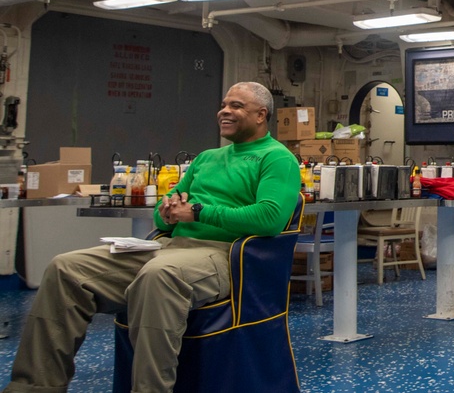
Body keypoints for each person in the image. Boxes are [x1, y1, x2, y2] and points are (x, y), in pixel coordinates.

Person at [4, 81, 301, 393]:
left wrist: (199, 212)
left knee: (159, 275)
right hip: (169, 246)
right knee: (66, 269)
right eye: (224, 104)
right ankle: (35, 386)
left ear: (260, 115)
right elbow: (165, 214)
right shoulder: (206, 158)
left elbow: (270, 219)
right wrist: (168, 210)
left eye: (236, 106)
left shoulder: (276, 158)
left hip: (224, 254)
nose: (225, 111)